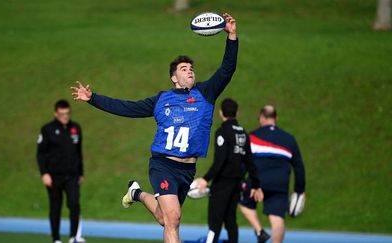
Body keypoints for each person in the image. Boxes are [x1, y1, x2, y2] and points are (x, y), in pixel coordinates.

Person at [71, 13, 261, 243]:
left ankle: (137, 193)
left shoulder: (206, 93)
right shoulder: (162, 100)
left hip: (187, 170)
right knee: (173, 219)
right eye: (183, 68)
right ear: (174, 77)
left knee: (164, 218)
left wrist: (231, 36)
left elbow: (227, 69)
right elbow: (127, 107)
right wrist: (93, 99)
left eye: (191, 67)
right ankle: (140, 194)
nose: (189, 70)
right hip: (163, 165)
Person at [193, 98, 263, 243]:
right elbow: (249, 161)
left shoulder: (222, 132)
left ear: (220, 113)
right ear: (237, 112)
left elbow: (220, 161)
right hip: (237, 183)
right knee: (230, 219)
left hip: (222, 183)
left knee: (215, 220)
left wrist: (205, 179)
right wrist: (256, 185)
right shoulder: (243, 133)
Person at [239, 105, 306, 243]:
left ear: (262, 118)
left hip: (257, 183)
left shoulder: (252, 137)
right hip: (280, 184)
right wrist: (300, 190)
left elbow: (244, 163)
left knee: (243, 202)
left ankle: (259, 231)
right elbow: (299, 166)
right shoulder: (289, 139)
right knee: (277, 222)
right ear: (276, 118)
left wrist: (240, 181)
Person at [36, 100, 85, 243]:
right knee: (55, 207)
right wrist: (44, 173)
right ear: (56, 113)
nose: (65, 116)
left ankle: (74, 237)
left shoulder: (76, 128)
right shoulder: (47, 130)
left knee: (74, 204)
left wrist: (81, 173)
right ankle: (56, 239)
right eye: (62, 114)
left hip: (72, 176)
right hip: (53, 176)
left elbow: (78, 152)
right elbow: (40, 154)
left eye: (67, 113)